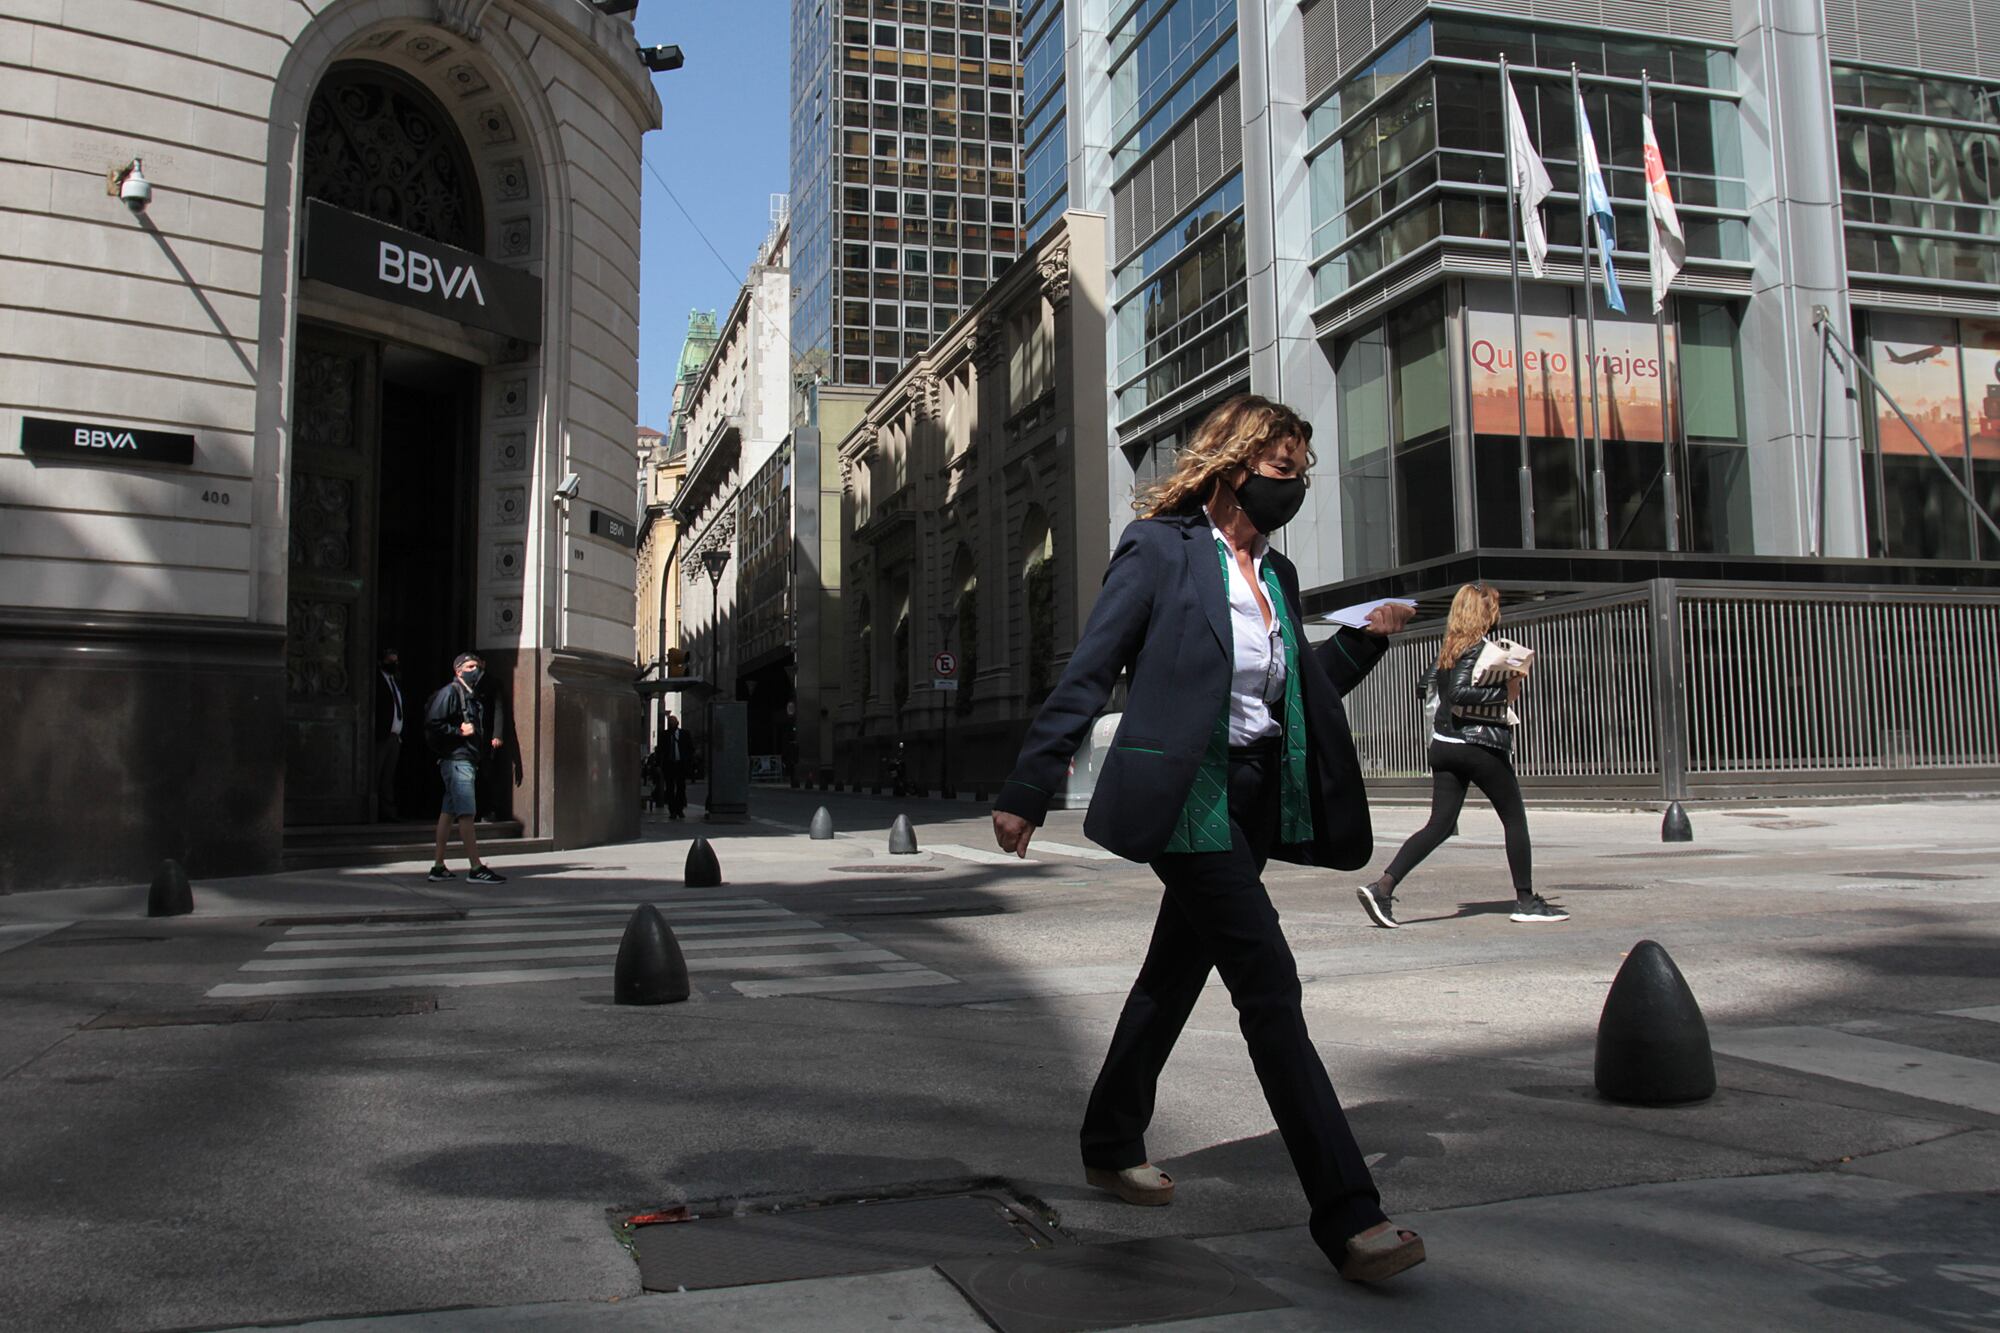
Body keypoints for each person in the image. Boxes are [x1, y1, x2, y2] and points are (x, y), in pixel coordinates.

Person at [990, 394, 1425, 1285]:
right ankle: (1350, 1214)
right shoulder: (1161, 550)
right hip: (1186, 794)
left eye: (1303, 471)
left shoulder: (1277, 575)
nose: (1295, 485)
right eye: (1281, 469)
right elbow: (1093, 667)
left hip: (1254, 794)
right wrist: (1030, 784)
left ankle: (1110, 1140)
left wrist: (1367, 644)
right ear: (1232, 468)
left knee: (1174, 973)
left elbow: (1294, 691)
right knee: (1269, 984)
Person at [1355, 583, 1566, 928]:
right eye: (1494, 608)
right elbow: (1458, 693)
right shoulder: (1478, 648)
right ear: (1486, 614)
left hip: (1444, 746)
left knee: (1439, 825)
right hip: (1477, 746)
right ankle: (1526, 900)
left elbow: (1424, 687)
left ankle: (1382, 887)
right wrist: (1504, 688)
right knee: (1514, 819)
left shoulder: (1449, 650)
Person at [424, 652, 506, 884]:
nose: (476, 670)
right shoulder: (451, 692)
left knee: (448, 813)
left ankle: (438, 866)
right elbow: (433, 722)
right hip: (457, 760)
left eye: (478, 666)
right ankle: (476, 867)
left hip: (466, 759)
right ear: (458, 670)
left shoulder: (471, 694)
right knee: (467, 813)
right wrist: (459, 732)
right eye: (470, 666)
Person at [373, 646, 406, 822]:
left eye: (396, 660)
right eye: (390, 660)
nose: (393, 664)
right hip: (382, 736)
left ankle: (388, 812)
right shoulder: (377, 681)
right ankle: (374, 811)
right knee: (377, 773)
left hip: (395, 737)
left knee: (388, 776)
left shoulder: (395, 681)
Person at [657, 713, 689, 819]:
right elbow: (660, 751)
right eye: (670, 722)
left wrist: (687, 760)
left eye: (673, 722)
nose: (671, 724)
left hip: (680, 764)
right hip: (669, 764)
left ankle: (679, 809)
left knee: (681, 788)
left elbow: (690, 748)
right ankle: (672, 810)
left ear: (677, 723)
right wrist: (658, 764)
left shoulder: (684, 734)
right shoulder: (664, 735)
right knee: (670, 788)